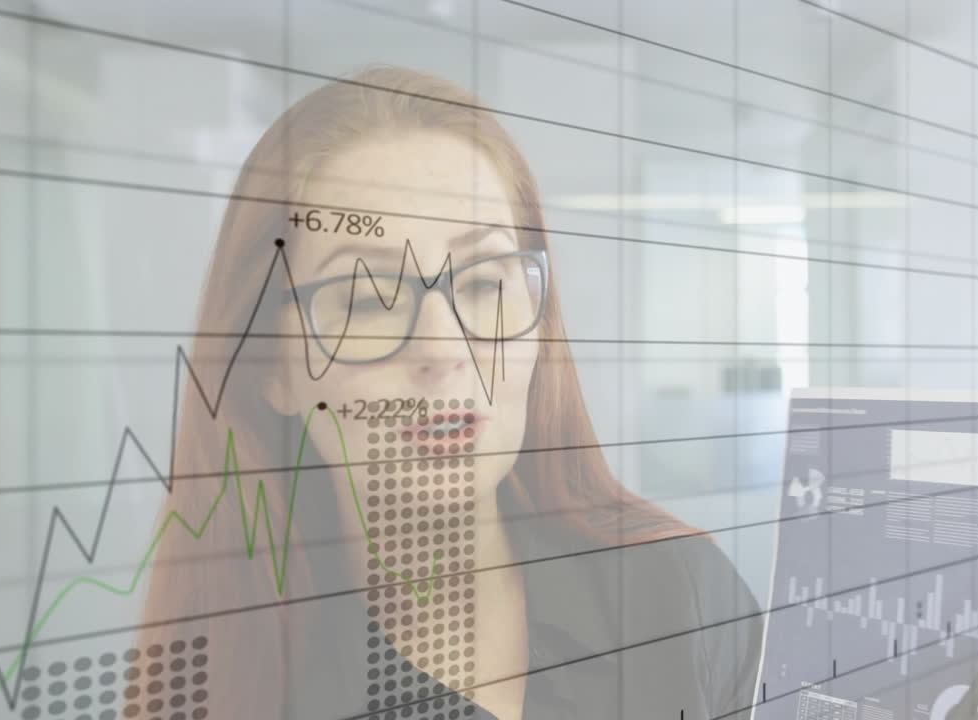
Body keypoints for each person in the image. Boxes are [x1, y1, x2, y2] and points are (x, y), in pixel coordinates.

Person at [136, 65, 763, 720]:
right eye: (365, 298)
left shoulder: (681, 595)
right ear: (272, 366)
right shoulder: (228, 686)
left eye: (485, 284)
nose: (443, 349)